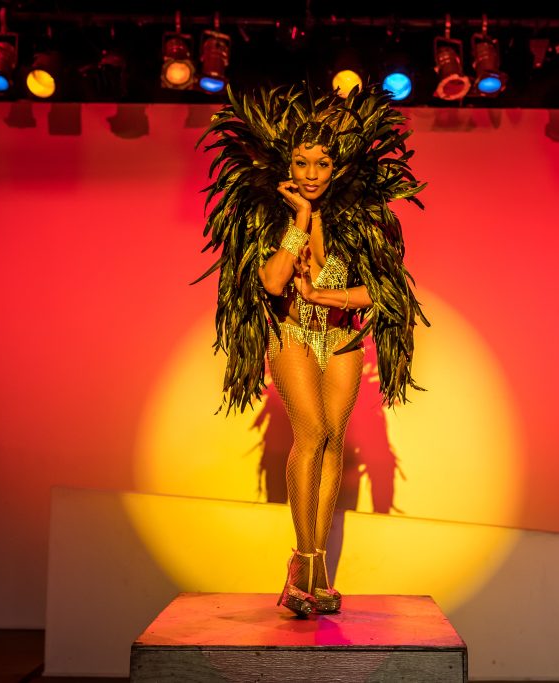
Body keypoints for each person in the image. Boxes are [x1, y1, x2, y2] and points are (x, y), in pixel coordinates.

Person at [195, 82, 427, 617]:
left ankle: (316, 565)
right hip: (291, 333)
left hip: (343, 336)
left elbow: (384, 291)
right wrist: (298, 222)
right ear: (288, 162)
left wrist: (326, 294)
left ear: (336, 165)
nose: (311, 174)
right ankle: (302, 563)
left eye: (322, 163)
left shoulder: (361, 216)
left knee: (334, 442)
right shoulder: (265, 210)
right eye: (302, 162)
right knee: (313, 432)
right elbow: (274, 283)